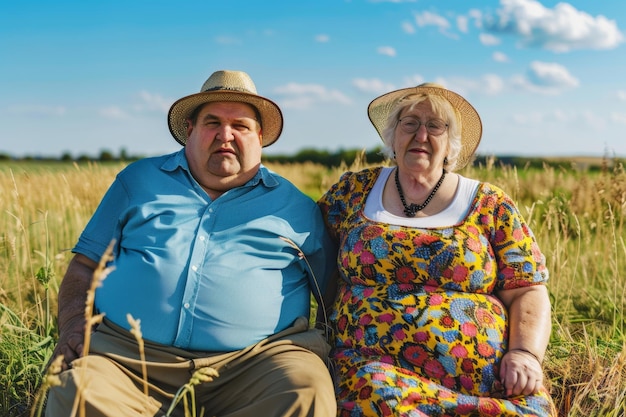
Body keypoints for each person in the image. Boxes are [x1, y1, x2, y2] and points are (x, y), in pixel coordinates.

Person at [45, 70, 337, 417]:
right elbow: (83, 266)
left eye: (240, 126)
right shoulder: (138, 182)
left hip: (254, 367)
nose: (225, 135)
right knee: (77, 391)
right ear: (190, 131)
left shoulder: (297, 209)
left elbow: (332, 293)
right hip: (127, 361)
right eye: (212, 122)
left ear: (260, 136)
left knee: (307, 392)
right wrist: (73, 324)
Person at [317, 83, 557, 416]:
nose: (421, 135)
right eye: (410, 123)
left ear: (450, 144)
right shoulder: (355, 190)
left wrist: (524, 354)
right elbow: (303, 239)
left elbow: (528, 288)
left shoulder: (491, 204)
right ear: (393, 137)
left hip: (489, 384)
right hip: (374, 373)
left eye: (435, 126)